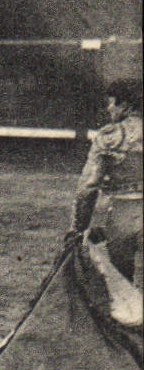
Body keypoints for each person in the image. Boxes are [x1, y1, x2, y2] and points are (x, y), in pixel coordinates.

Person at [71, 78, 142, 292]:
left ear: (125, 106)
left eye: (112, 103)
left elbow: (88, 188)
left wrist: (78, 229)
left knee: (123, 289)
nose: (109, 108)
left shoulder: (110, 136)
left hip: (124, 215)